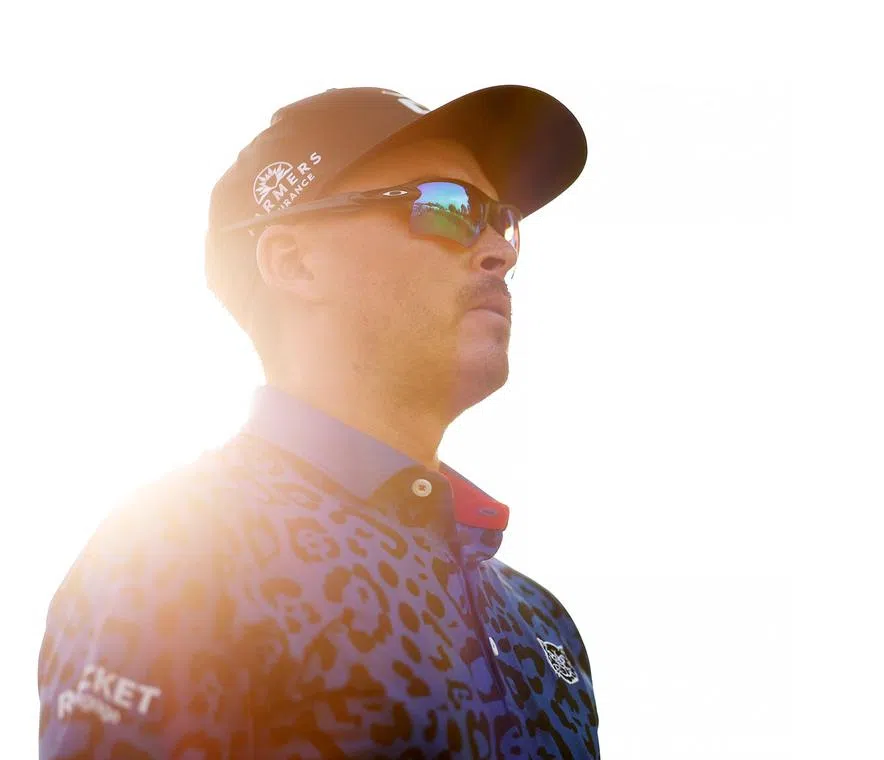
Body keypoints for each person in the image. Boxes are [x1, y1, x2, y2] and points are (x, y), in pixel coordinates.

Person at [37, 85, 600, 758]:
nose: (498, 251)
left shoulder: (543, 622)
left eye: (500, 220)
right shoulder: (178, 547)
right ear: (294, 262)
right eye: (447, 208)